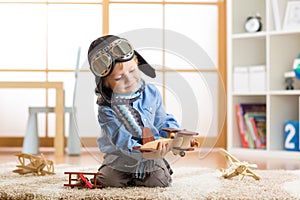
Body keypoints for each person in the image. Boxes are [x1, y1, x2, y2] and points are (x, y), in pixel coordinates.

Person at [87, 35, 180, 187]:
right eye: (118, 78)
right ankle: (126, 175)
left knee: (158, 181)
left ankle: (158, 167)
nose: (129, 80)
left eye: (132, 71)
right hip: (119, 157)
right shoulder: (106, 109)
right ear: (106, 85)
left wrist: (173, 135)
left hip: (152, 155)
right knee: (108, 181)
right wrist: (142, 150)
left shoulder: (151, 92)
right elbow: (121, 139)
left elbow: (162, 120)